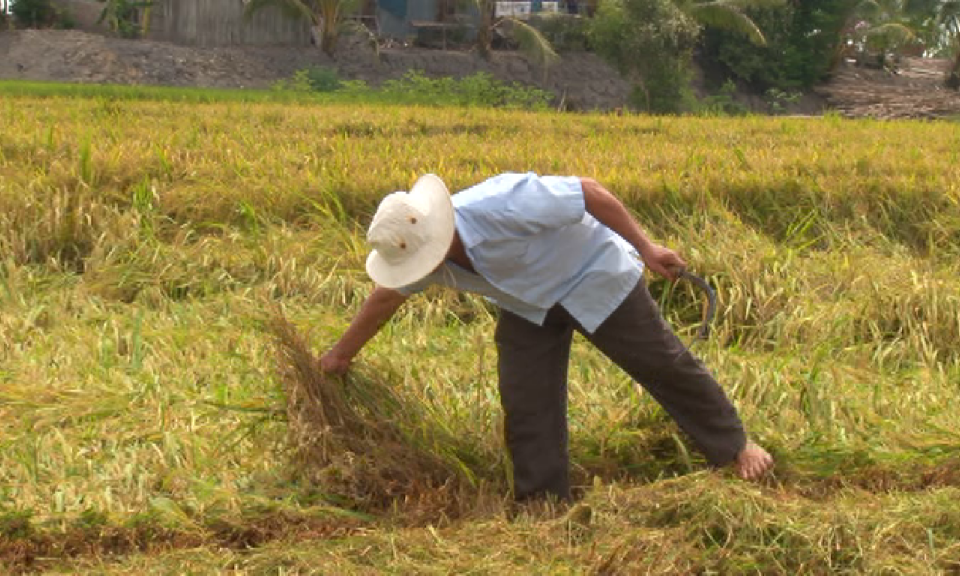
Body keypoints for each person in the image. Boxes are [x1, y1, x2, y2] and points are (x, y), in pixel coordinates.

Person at [320, 172, 773, 502]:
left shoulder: (499, 202)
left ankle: (734, 446)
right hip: (529, 304)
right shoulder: (423, 255)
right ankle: (544, 500)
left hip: (591, 274)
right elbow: (386, 297)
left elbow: (590, 193)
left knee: (661, 363)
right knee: (525, 397)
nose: (427, 271)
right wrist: (340, 355)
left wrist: (647, 248)